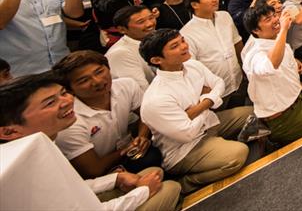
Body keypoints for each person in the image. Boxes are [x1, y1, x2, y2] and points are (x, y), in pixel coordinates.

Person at [0, 73, 181, 211]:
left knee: (153, 173)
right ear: (9, 131)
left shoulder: (41, 143)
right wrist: (142, 192)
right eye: (49, 103)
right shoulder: (18, 169)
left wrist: (115, 179)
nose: (66, 102)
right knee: (169, 188)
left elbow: (69, 186)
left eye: (63, 93)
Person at [138, 29, 251, 194]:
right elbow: (188, 133)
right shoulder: (156, 98)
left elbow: (219, 83)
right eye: (175, 46)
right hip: (185, 149)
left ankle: (219, 145)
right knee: (238, 154)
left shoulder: (192, 65)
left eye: (182, 40)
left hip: (209, 123)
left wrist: (199, 106)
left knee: (253, 113)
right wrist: (207, 102)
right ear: (156, 60)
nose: (184, 46)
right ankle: (187, 184)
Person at [53, 51, 162, 177]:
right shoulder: (70, 122)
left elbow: (147, 114)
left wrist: (142, 137)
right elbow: (93, 170)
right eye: (84, 80)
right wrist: (127, 149)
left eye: (99, 72)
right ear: (70, 89)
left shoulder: (126, 85)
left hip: (127, 152)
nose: (98, 81)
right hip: (98, 173)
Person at [241, 5, 302, 146]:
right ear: (256, 30)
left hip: (296, 98)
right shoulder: (253, 54)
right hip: (281, 116)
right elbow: (271, 65)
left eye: (274, 15)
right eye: (268, 19)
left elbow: (285, 73)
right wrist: (283, 29)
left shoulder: (276, 40)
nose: (276, 20)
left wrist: (301, 86)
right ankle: (273, 138)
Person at [180, 0, 243, 102]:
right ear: (195, 5)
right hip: (215, 91)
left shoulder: (225, 16)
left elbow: (236, 41)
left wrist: (244, 66)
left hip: (238, 79)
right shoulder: (186, 33)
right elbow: (190, 67)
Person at [107, 6, 157, 93]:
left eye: (151, 18)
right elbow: (140, 91)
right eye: (141, 22)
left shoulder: (155, 39)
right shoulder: (121, 54)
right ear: (122, 29)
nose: (149, 24)